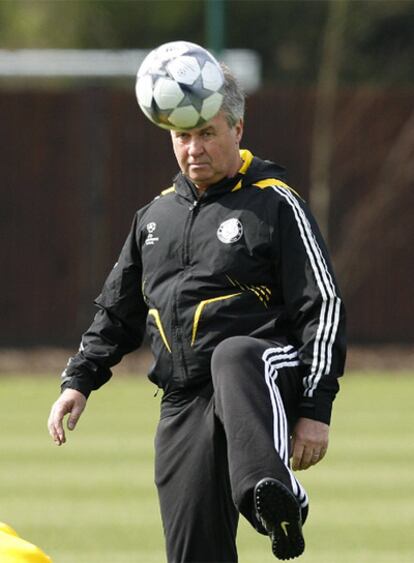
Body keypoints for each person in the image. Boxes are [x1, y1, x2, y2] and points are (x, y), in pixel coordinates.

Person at [48, 63, 346, 562]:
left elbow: (323, 304)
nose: (194, 149)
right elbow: (116, 311)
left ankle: (277, 496)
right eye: (183, 135)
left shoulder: (276, 204)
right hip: (183, 400)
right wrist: (78, 380)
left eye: (207, 133)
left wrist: (315, 412)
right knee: (191, 554)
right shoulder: (154, 217)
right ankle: (264, 497)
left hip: (264, 371)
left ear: (237, 129)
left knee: (231, 356)